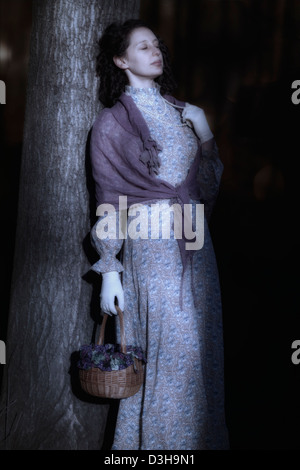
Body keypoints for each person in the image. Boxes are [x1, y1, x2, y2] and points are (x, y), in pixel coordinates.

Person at [89, 19, 229, 450]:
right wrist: (109, 266)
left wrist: (204, 132)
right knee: (173, 354)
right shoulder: (112, 124)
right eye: (142, 46)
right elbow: (110, 197)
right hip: (151, 247)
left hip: (195, 242)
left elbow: (205, 189)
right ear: (120, 59)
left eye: (157, 45)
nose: (155, 52)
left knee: (200, 350)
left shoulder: (180, 112)